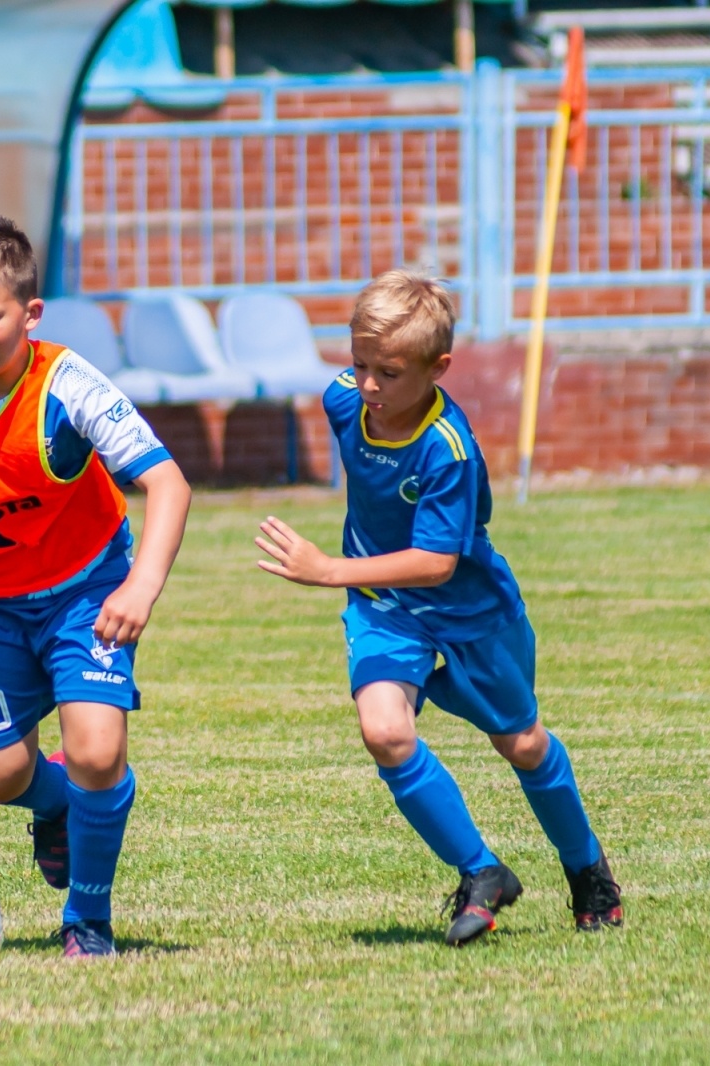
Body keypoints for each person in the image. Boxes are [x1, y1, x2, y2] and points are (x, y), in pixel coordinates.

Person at [254, 271, 622, 946]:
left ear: (438, 369)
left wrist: (328, 569)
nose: (368, 386)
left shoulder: (448, 451)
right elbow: (352, 406)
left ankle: (587, 869)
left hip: (470, 613)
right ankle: (482, 871)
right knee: (385, 732)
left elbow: (436, 564)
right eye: (359, 364)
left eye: (389, 374)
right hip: (384, 609)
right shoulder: (345, 403)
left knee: (521, 742)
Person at [0, 216, 192, 958]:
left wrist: (140, 588)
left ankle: (88, 918)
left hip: (85, 592)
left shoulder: (69, 386)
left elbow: (167, 483)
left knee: (95, 748)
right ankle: (56, 808)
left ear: (31, 313)